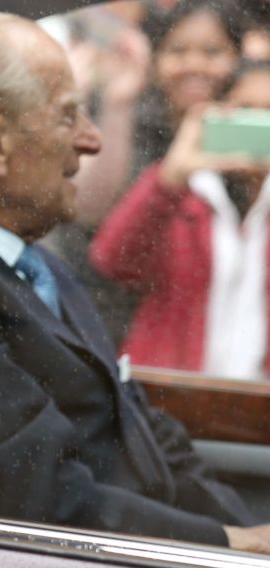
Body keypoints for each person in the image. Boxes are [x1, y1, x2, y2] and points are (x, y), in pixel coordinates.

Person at [0, 13, 270, 553]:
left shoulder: (28, 258)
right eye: (69, 115)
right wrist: (232, 543)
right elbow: (38, 496)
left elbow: (142, 432)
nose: (90, 140)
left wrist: (246, 530)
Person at [48, 0, 244, 346]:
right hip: (117, 327)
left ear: (239, 58)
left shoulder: (248, 139)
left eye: (213, 52)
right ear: (155, 59)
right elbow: (95, 224)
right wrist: (118, 104)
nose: (194, 65)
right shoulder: (136, 123)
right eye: (177, 51)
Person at [91, 61, 270, 378]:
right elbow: (111, 259)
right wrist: (170, 177)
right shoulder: (179, 192)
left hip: (257, 407)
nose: (258, 123)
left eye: (268, 112)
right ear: (219, 114)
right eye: (245, 109)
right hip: (169, 396)